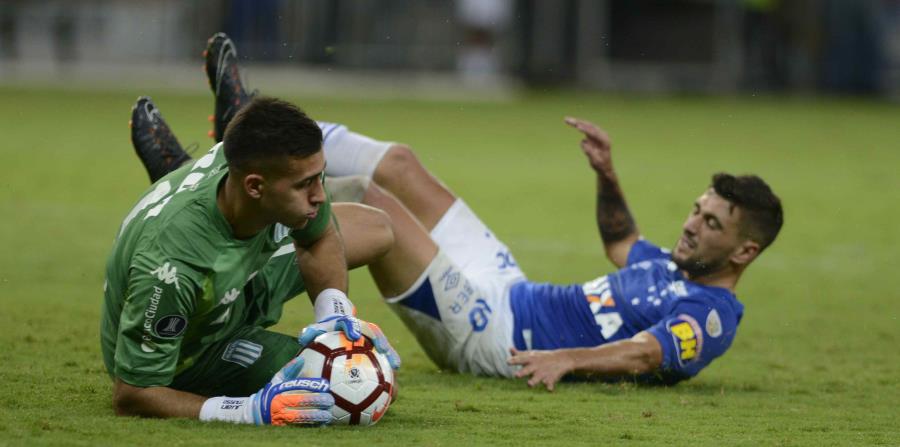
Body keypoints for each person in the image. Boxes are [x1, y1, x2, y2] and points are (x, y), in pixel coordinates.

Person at [137, 33, 783, 391]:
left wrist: (567, 358)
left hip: (501, 340)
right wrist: (608, 175)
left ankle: (220, 175)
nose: (693, 224)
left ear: (744, 252)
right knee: (401, 166)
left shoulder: (712, 313)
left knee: (368, 201)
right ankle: (243, 124)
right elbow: (620, 241)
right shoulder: (670, 265)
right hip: (512, 289)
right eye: (698, 210)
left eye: (713, 223)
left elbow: (648, 354)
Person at [101, 34, 399, 427]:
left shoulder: (274, 189)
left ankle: (182, 167)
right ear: (255, 186)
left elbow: (321, 236)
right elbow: (132, 394)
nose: (319, 195)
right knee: (339, 393)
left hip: (240, 274)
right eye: (305, 185)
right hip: (196, 349)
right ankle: (180, 174)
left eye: (320, 178)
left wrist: (334, 317)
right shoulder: (170, 266)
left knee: (378, 229)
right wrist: (245, 411)